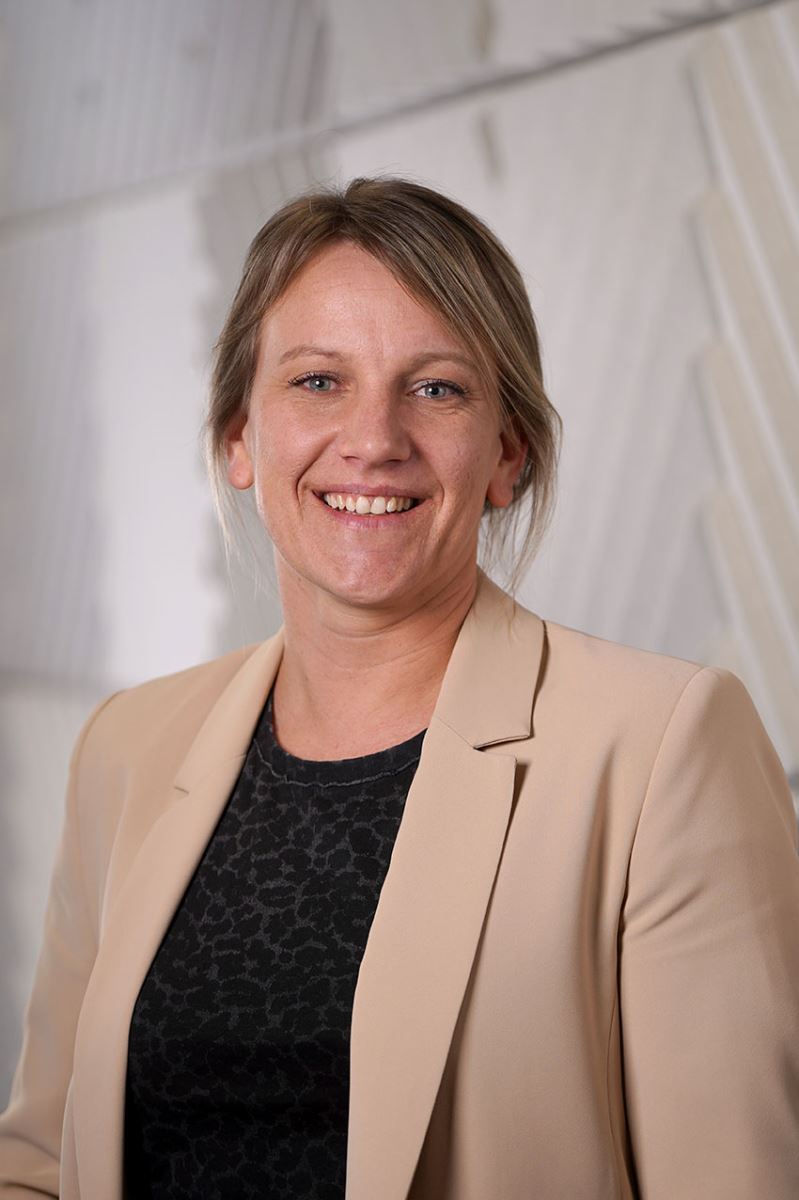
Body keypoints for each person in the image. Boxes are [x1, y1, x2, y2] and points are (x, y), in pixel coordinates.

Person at [1, 176, 798, 1200]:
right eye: (318, 381)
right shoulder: (127, 744)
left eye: (436, 389)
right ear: (239, 436)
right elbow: (42, 1164)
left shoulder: (660, 748)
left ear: (506, 452)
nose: (373, 439)